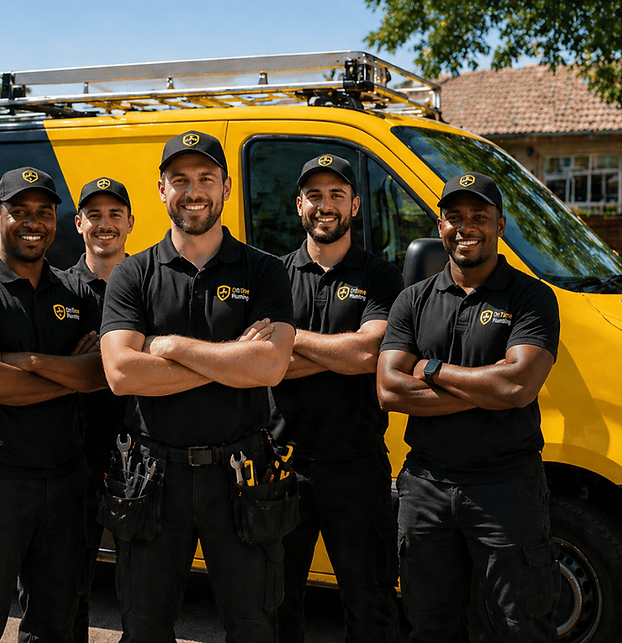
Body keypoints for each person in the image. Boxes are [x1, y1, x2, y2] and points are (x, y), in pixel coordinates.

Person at [99, 130, 296, 643]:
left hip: (242, 475)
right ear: (161, 189)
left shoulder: (265, 271)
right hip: (152, 477)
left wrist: (169, 346)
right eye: (180, 179)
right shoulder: (132, 274)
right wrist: (232, 359)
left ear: (226, 187)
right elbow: (121, 374)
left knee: (253, 629)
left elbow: (271, 367)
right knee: (144, 630)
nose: (194, 191)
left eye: (206, 178)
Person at [376, 172, 561, 642]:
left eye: (479, 216)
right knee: (429, 626)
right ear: (439, 226)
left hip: (506, 488)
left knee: (521, 627)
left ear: (500, 224)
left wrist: (432, 369)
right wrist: (484, 388)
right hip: (426, 489)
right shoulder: (412, 300)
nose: (466, 227)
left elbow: (517, 387)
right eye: (454, 217)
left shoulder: (531, 297)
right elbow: (390, 391)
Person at [0, 166, 106, 643]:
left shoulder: (76, 292)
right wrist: (69, 373)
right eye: (20, 211)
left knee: (55, 627)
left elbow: (101, 373)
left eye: (44, 212)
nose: (34, 222)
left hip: (65, 482)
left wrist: (31, 361)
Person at [270, 154, 402, 643]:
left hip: (357, 466)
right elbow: (262, 362)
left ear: (355, 205)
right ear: (299, 205)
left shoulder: (381, 276)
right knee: (275, 604)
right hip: (281, 465)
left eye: (336, 195)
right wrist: (341, 353)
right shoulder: (273, 275)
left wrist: (289, 341)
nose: (325, 205)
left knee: (370, 605)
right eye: (315, 195)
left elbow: (371, 352)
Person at [67, 176, 135, 643]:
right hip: (75, 460)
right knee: (68, 589)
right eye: (94, 215)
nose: (104, 224)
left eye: (114, 215)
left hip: (142, 462)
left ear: (131, 222)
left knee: (143, 595)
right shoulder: (57, 290)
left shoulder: (153, 281)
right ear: (79, 224)